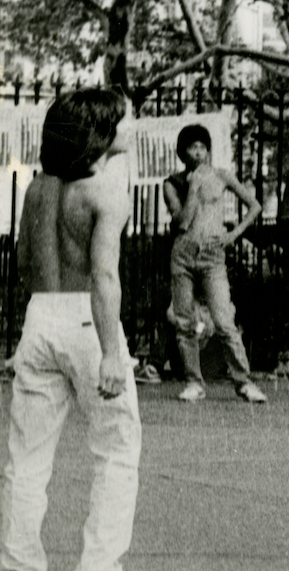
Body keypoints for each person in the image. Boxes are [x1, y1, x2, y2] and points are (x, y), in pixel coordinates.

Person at [0, 89, 140, 571]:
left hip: (41, 316)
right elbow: (104, 276)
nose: (130, 127)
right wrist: (110, 353)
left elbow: (21, 263)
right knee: (117, 452)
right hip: (88, 321)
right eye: (122, 120)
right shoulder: (106, 191)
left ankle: (17, 566)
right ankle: (100, 566)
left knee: (26, 461)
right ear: (100, 132)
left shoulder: (38, 188)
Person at [162, 123, 267, 403]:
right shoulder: (172, 183)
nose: (197, 152)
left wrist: (234, 234)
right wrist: (193, 188)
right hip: (183, 254)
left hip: (212, 254)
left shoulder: (222, 176)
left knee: (224, 320)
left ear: (208, 151)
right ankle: (193, 382)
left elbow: (255, 205)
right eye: (191, 147)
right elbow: (182, 222)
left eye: (201, 147)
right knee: (185, 322)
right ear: (182, 153)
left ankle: (243, 381)